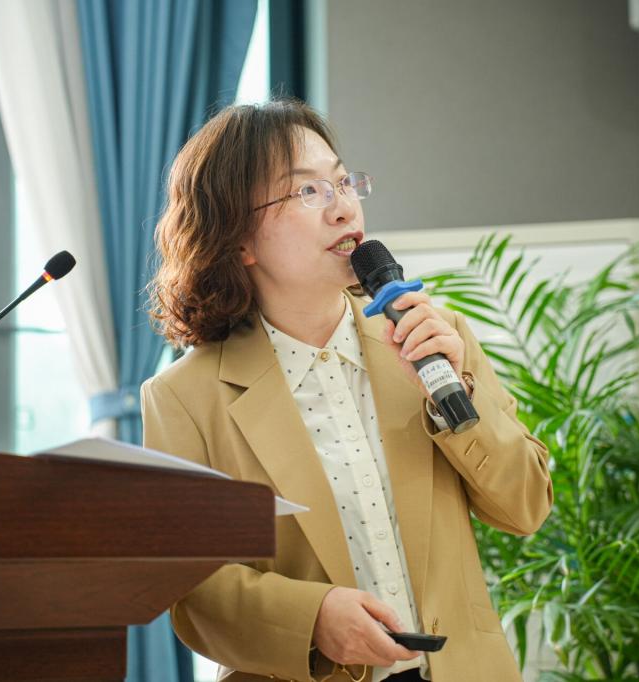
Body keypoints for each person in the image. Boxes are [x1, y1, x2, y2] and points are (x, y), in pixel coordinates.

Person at [142, 99, 553, 682]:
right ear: (239, 241)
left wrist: (454, 395)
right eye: (307, 191)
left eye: (342, 182)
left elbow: (527, 507)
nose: (343, 208)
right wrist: (311, 619)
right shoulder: (184, 397)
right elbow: (191, 588)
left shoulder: (437, 337)